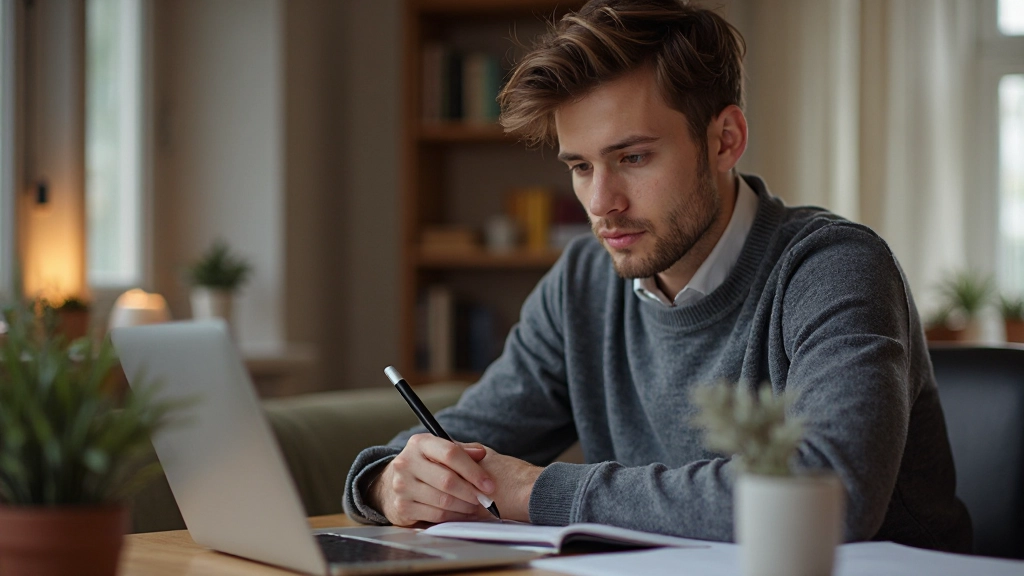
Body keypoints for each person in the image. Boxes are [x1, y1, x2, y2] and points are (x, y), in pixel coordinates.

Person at [344, 0, 972, 551]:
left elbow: (828, 489)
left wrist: (539, 492)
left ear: (725, 139)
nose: (601, 202)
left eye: (633, 157)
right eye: (581, 166)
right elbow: (459, 437)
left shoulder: (833, 268)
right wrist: (386, 481)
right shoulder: (584, 282)